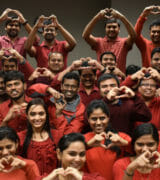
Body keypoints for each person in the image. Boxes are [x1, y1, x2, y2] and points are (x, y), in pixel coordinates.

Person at [84, 99, 131, 180]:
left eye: (102, 118)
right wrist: (87, 145)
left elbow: (137, 152)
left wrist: (124, 143)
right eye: (94, 119)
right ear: (88, 119)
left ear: (108, 118)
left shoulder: (121, 137)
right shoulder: (83, 139)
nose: (98, 123)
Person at [18, 98, 63, 175]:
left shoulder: (56, 135)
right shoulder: (20, 137)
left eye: (41, 114)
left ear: (46, 115)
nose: (37, 118)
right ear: (27, 116)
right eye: (33, 114)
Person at [82, 8, 136, 73]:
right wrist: (97, 17)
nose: (111, 29)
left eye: (114, 27)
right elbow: (85, 36)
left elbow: (133, 36)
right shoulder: (99, 42)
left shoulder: (124, 42)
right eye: (109, 27)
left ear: (119, 29)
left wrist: (121, 17)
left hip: (119, 78)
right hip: (101, 78)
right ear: (105, 29)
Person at [37, 132, 105, 180]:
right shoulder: (46, 178)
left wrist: (81, 178)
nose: (78, 159)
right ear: (59, 154)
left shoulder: (95, 178)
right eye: (72, 154)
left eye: (82, 154)